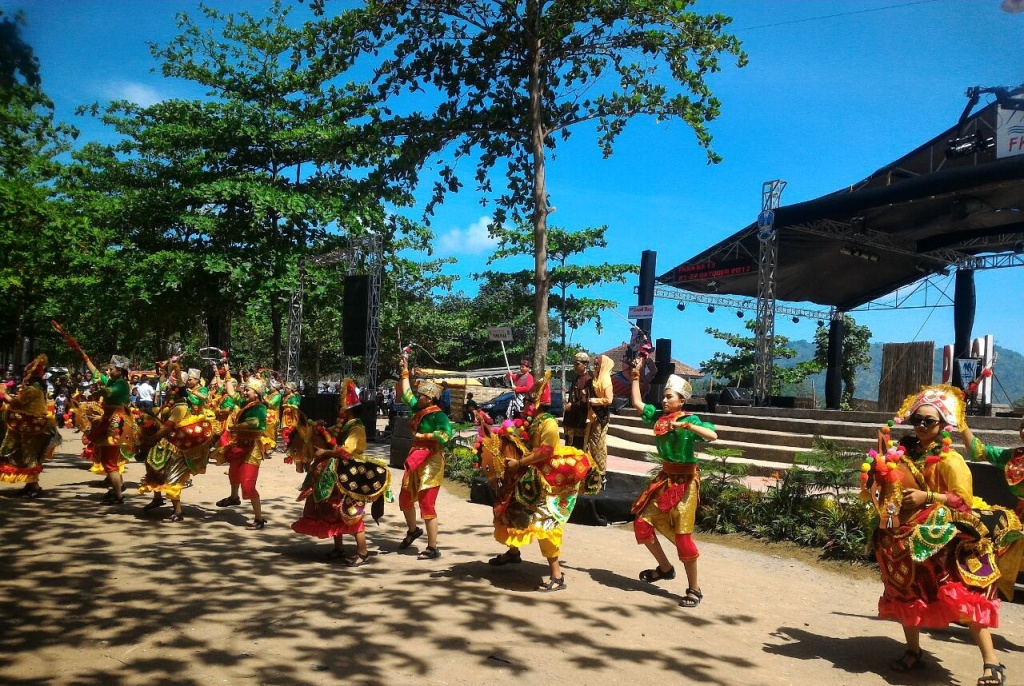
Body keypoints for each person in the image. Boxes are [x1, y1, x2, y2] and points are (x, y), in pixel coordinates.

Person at [862, 385, 1006, 686]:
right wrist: (881, 457)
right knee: (904, 590)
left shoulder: (951, 461)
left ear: (943, 426)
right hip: (903, 531)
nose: (922, 426)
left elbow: (963, 501)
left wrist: (927, 495)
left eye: (929, 421)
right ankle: (913, 650)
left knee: (961, 593)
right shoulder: (903, 452)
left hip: (940, 533)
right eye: (918, 420)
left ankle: (992, 661)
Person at [487, 372, 594, 591]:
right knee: (509, 508)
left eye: (527, 400)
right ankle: (513, 553)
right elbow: (518, 437)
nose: (524, 403)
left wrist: (519, 463)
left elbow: (546, 452)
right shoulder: (531, 421)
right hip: (528, 474)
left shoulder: (549, 424)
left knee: (544, 523)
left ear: (536, 402)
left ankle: (557, 575)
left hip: (547, 479)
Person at [628, 362, 717, 609]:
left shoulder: (691, 421)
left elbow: (713, 436)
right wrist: (635, 374)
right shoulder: (660, 419)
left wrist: (687, 425)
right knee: (642, 525)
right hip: (665, 480)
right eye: (664, 397)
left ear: (682, 401)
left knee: (684, 538)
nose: (664, 401)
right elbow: (637, 403)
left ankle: (694, 589)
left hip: (685, 485)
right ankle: (665, 569)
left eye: (669, 397)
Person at [291, 379, 390, 566]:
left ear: (348, 407)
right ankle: (339, 548)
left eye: (340, 404)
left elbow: (347, 450)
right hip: (338, 471)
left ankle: (362, 552)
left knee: (349, 511)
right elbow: (325, 435)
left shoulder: (357, 427)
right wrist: (315, 427)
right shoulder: (343, 426)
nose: (338, 407)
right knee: (332, 509)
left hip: (351, 475)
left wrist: (326, 452)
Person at [137, 366, 216, 522]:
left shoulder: (180, 406)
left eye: (172, 389)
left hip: (177, 443)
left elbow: (168, 427)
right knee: (152, 466)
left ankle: (177, 511)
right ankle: (158, 498)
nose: (169, 390)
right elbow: (164, 387)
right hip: (166, 441)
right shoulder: (171, 404)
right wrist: (163, 373)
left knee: (171, 476)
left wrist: (152, 438)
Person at [395, 355, 452, 560]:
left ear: (429, 399)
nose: (417, 397)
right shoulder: (418, 409)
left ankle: (432, 546)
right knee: (404, 499)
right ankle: (412, 530)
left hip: (431, 460)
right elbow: (406, 392)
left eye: (421, 396)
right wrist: (405, 370)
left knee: (427, 504)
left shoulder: (439, 416)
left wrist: (425, 436)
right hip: (415, 458)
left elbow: (446, 436)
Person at [212, 377, 269, 530]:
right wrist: (227, 374)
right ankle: (234, 497)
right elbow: (231, 392)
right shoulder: (246, 403)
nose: (243, 392)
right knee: (233, 474)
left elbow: (254, 423)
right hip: (240, 444)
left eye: (247, 390)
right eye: (244, 390)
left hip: (252, 449)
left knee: (248, 484)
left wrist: (236, 426)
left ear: (256, 393)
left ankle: (259, 519)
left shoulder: (260, 408)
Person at [83, 353, 139, 505]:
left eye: (112, 369)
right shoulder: (112, 381)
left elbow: (109, 392)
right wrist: (86, 358)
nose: (108, 371)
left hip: (116, 423)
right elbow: (96, 373)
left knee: (109, 461)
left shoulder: (120, 384)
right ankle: (118, 487)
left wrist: (99, 392)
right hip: (109, 420)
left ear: (120, 371)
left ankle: (118, 495)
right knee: (109, 459)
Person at [0, 354, 60, 497]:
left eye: (26, 373)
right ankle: (30, 485)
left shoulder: (32, 389)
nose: (24, 375)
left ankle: (34, 486)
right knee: (29, 455)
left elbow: (17, 403)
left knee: (30, 455)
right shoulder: (36, 388)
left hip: (32, 428)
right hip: (32, 426)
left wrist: (4, 394)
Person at [585, 354, 615, 493]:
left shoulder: (605, 379)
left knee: (599, 446)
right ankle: (592, 473)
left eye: (597, 364)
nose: (595, 366)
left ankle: (601, 475)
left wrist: (593, 401)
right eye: (594, 364)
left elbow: (609, 399)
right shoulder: (596, 378)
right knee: (591, 445)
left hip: (601, 417)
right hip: (593, 417)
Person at [562, 352, 592, 450]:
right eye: (574, 363)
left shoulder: (588, 380)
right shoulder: (576, 378)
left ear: (585, 364)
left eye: (577, 364)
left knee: (577, 449)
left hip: (579, 420)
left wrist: (572, 406)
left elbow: (585, 401)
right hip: (570, 419)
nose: (575, 366)